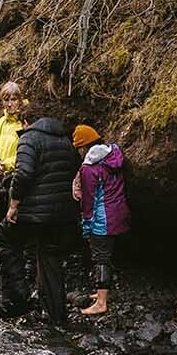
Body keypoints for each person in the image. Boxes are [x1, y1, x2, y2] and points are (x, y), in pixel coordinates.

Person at [8, 114, 81, 328]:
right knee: (51, 258)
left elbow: (23, 173)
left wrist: (14, 204)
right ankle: (53, 310)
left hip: (39, 212)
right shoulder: (65, 139)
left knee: (39, 254)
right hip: (64, 210)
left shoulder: (29, 139)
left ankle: (53, 316)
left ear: (26, 122)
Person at [73, 131, 131, 317]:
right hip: (119, 212)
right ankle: (101, 292)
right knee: (107, 254)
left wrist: (86, 221)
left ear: (84, 147)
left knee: (101, 258)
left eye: (79, 148)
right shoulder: (114, 155)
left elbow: (89, 199)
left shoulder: (90, 169)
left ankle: (101, 302)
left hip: (102, 217)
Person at [0, 82, 32, 315]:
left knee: (11, 231)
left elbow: (27, 153)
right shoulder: (1, 123)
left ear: (20, 99)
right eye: (6, 99)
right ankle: (11, 283)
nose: (9, 103)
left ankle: (19, 287)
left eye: (13, 99)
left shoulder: (25, 122)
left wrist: (7, 165)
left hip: (18, 181)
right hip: (1, 181)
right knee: (5, 229)